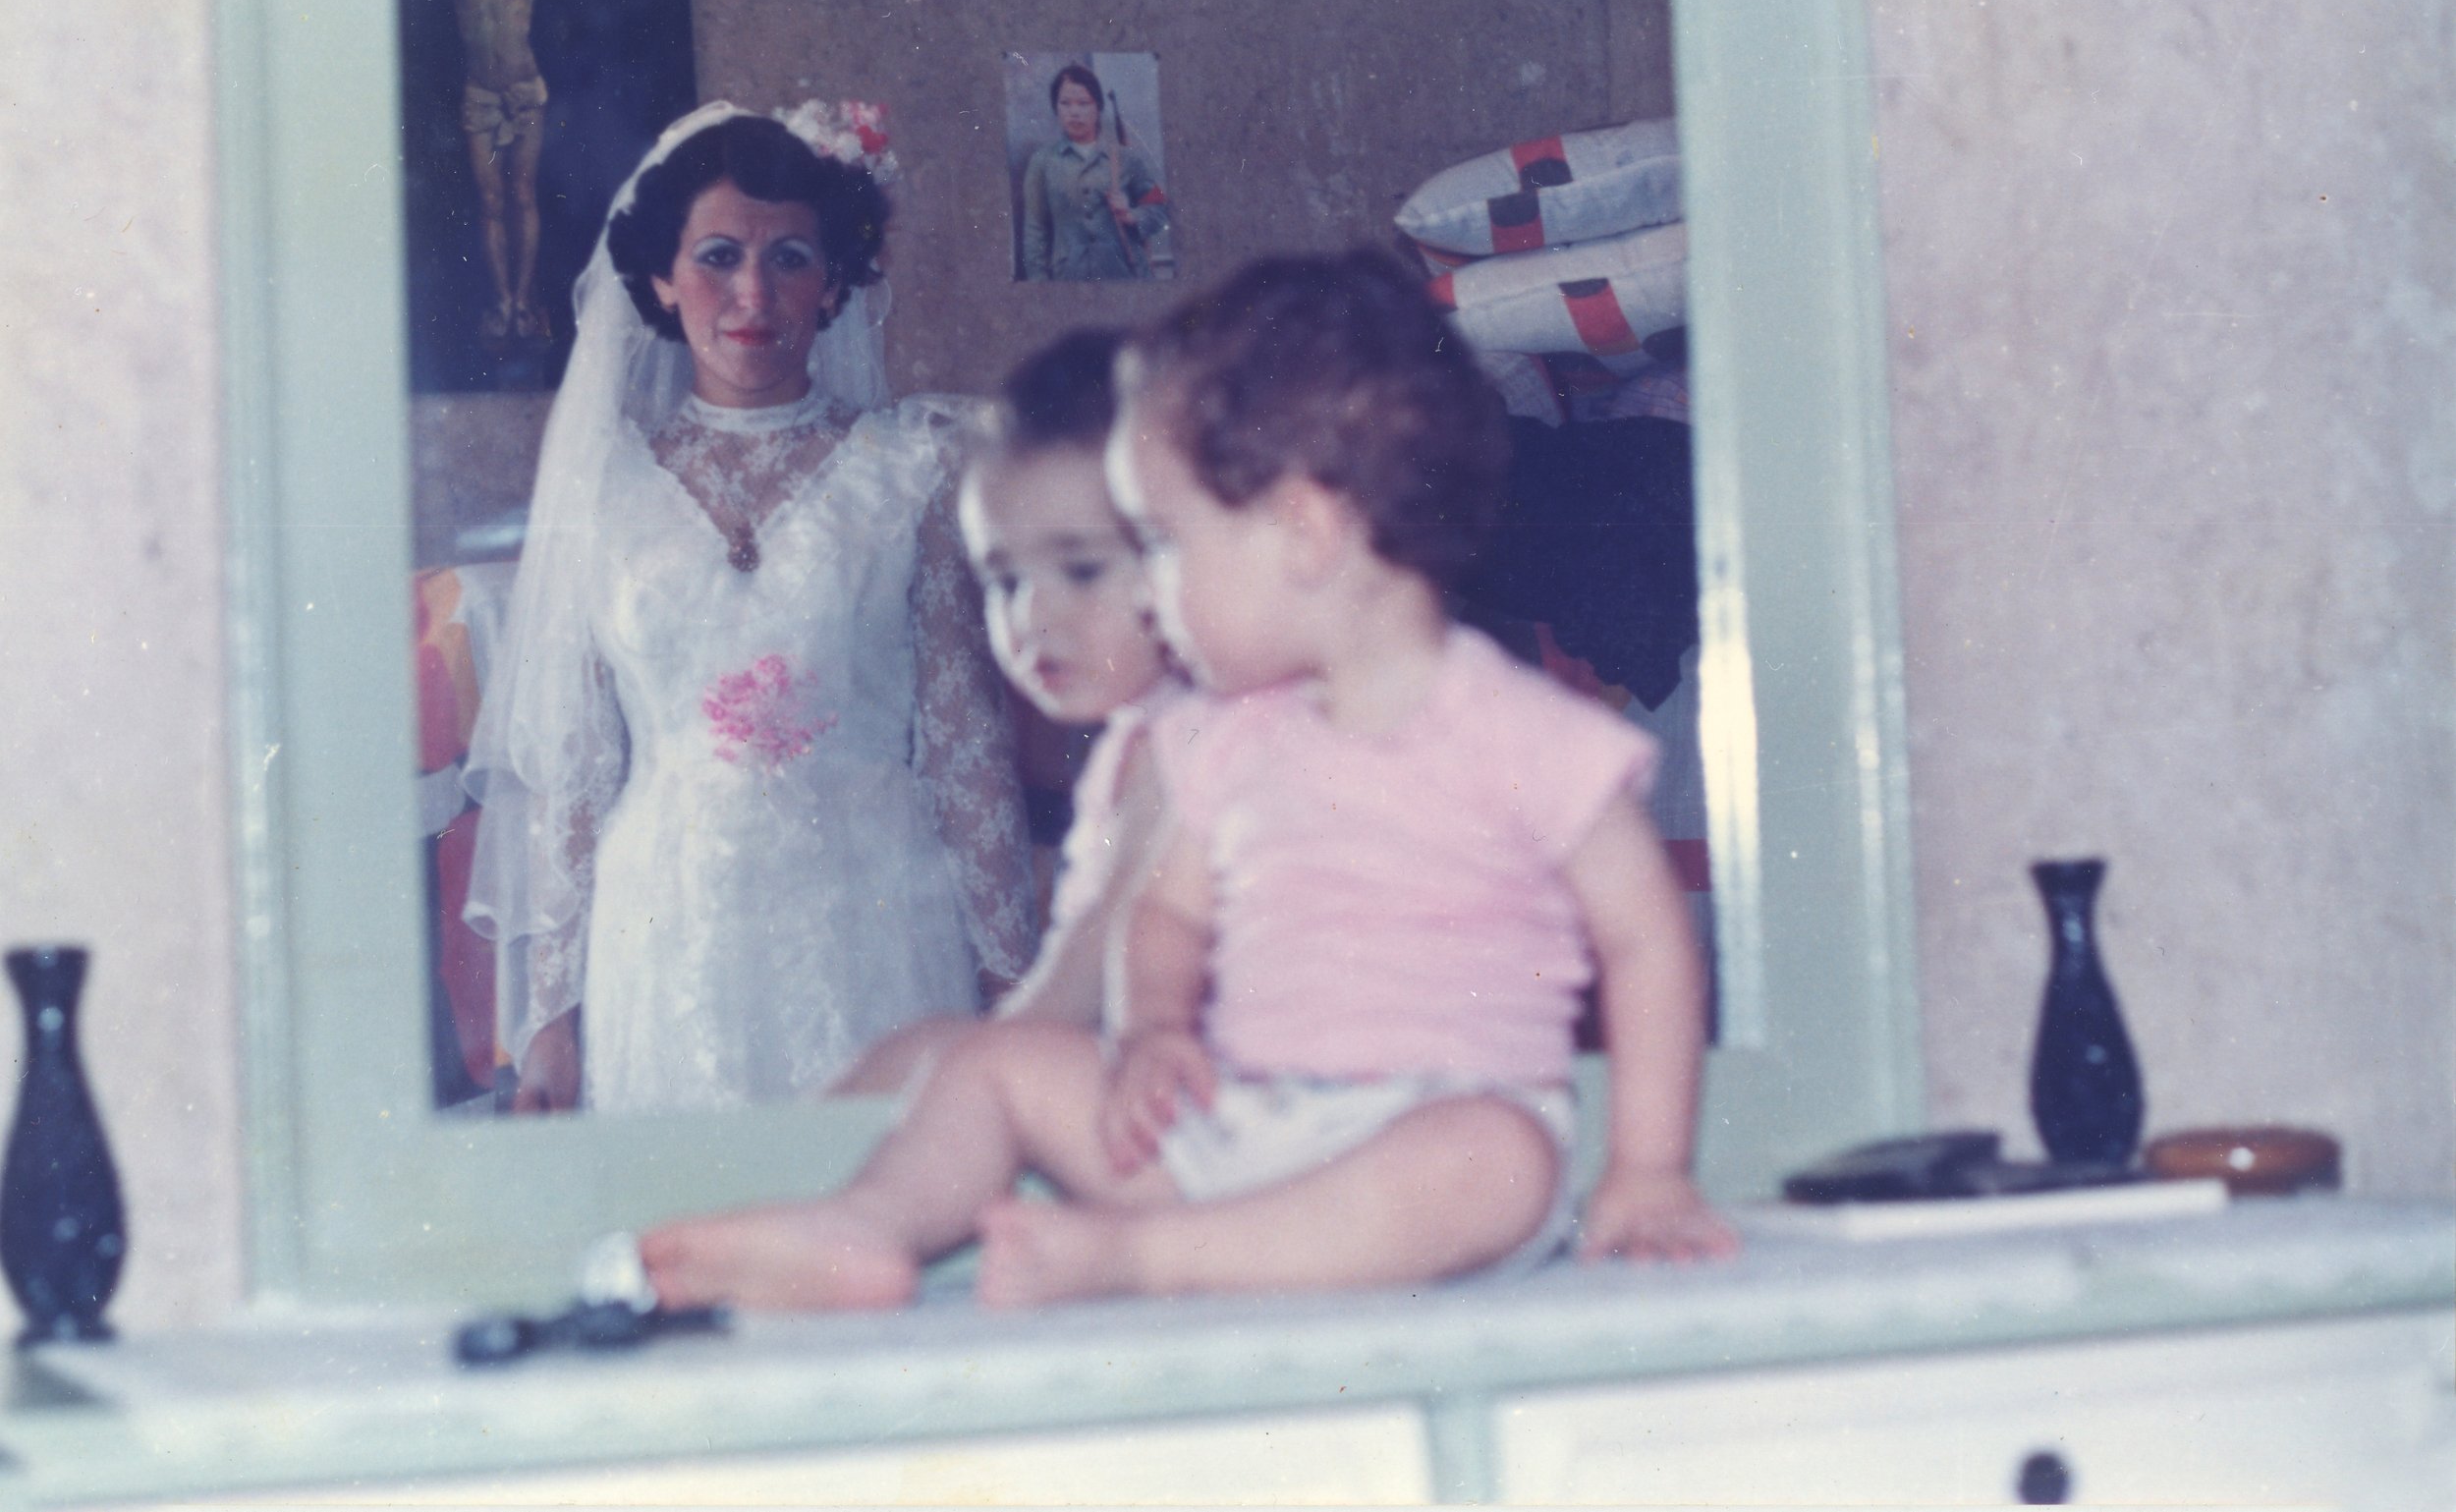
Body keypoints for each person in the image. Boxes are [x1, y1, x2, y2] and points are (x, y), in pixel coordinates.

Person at [637, 251, 1734, 1312]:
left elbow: (1647, 939)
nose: (1152, 593)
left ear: (1303, 530)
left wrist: (1646, 1166)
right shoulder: (1226, 738)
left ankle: (1148, 1259)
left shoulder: (1520, 732)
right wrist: (1156, 1028)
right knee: (1006, 1064)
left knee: (1497, 1158)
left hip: (1427, 1135)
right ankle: (868, 1228)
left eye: (1164, 543)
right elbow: (1166, 914)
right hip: (1243, 1129)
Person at [462, 103, 1036, 1116]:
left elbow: (962, 744)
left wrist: (1010, 982)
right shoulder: (604, 488)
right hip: (664, 931)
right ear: (658, 277)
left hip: (875, 919)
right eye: (718, 256)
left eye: (791, 259)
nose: (751, 295)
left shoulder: (913, 467)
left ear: (835, 284)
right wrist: (550, 1015)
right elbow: (578, 764)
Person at [831, 328, 1190, 1096]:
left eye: (1082, 567)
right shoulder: (1138, 736)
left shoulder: (1188, 747)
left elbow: (1082, 981)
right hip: (1148, 1086)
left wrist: (969, 1071)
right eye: (1003, 578)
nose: (1032, 615)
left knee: (913, 1084)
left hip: (1242, 1120)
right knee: (893, 1069)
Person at [396, 0, 654, 346]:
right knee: (491, 202)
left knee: (523, 196)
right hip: (481, 97)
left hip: (525, 93)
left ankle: (525, 297)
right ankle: (503, 301)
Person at [1019, 62, 1169, 282]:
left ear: (1097, 107)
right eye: (1065, 103)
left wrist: (1131, 216)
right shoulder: (1042, 162)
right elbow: (1035, 231)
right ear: (1056, 108)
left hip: (1125, 277)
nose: (1075, 112)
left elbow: (1160, 207)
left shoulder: (1127, 159)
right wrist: (1039, 286)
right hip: (1069, 281)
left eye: (1084, 103)